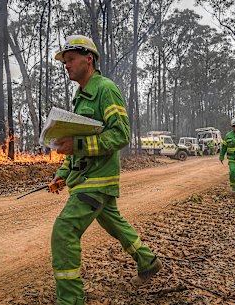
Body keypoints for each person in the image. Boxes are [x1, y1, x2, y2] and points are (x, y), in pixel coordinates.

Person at [50, 35, 161, 305]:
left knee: (64, 232)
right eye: (64, 61)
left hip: (97, 180)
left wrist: (76, 144)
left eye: (71, 59)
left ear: (89, 59)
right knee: (113, 221)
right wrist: (63, 174)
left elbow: (121, 135)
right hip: (83, 178)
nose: (67, 65)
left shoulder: (105, 89)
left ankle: (71, 301)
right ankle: (148, 261)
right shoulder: (79, 96)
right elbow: (78, 143)